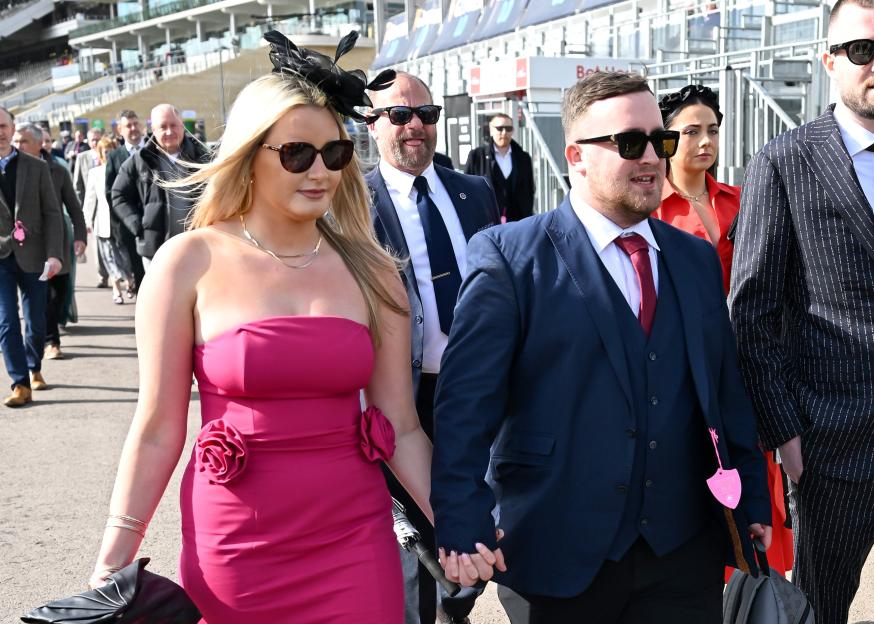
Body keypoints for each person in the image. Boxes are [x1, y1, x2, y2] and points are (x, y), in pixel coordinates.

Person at [87, 32, 433, 624]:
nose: (320, 170)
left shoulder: (373, 268)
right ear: (249, 154)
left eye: (336, 153)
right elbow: (156, 429)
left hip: (355, 540)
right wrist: (111, 564)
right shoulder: (187, 262)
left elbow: (400, 426)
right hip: (237, 549)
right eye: (297, 153)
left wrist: (457, 525)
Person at [431, 71, 772, 623]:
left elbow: (724, 388)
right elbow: (466, 406)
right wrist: (459, 514)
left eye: (660, 142)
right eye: (629, 143)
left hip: (683, 550)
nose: (652, 159)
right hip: (559, 548)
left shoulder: (693, 258)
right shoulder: (509, 256)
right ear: (576, 155)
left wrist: (751, 494)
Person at [730, 1, 874, 621]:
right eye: (863, 50)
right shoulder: (784, 162)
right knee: (820, 609)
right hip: (829, 440)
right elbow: (753, 313)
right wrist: (786, 433)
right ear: (829, 60)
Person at [366, 71, 499, 624]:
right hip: (402, 391)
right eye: (400, 115)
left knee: (483, 516)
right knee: (413, 536)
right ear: (371, 125)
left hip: (480, 389)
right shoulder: (349, 202)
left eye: (428, 113)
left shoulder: (475, 192)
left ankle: (457, 605)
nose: (416, 125)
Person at [654, 85, 794, 577]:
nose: (704, 141)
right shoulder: (650, 210)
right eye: (690, 131)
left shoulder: (742, 200)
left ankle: (758, 582)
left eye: (712, 130)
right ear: (666, 139)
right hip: (683, 365)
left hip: (750, 361)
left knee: (757, 471)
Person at [0, 107, 64, 406]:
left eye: (3, 126)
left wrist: (54, 255)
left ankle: (34, 365)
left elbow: (52, 214)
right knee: (7, 321)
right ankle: (19, 383)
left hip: (35, 253)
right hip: (1, 257)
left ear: (12, 129)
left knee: (36, 320)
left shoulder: (35, 167)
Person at [12, 123, 87, 361]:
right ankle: (51, 341)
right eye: (16, 142)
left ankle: (50, 333)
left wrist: (80, 237)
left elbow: (74, 208)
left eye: (23, 142)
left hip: (57, 240)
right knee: (42, 297)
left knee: (58, 293)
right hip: (27, 245)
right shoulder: (9, 170)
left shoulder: (57, 170)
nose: (18, 146)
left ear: (38, 145)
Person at [111, 104, 210, 271]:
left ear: (182, 126)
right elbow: (118, 195)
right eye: (163, 127)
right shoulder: (140, 161)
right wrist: (138, 226)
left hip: (199, 248)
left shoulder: (202, 157)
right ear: (153, 130)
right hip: (156, 252)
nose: (169, 132)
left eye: (173, 125)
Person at [83, 137, 135, 305]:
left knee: (125, 255)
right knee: (109, 256)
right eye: (105, 151)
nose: (108, 153)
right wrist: (86, 222)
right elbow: (90, 200)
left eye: (110, 150)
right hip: (103, 222)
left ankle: (129, 280)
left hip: (121, 221)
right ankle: (116, 290)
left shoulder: (124, 168)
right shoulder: (95, 172)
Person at [464, 113, 535, 222]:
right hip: (486, 221)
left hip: (517, 223)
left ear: (513, 130)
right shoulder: (477, 156)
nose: (504, 132)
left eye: (508, 128)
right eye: (499, 128)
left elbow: (529, 190)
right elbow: (466, 189)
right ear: (491, 130)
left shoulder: (523, 158)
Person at [105, 110, 145, 295]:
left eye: (136, 123)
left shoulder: (154, 149)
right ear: (120, 130)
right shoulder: (114, 157)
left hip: (159, 221)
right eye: (128, 125)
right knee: (138, 269)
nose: (133, 128)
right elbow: (110, 192)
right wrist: (121, 222)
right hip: (130, 225)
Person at [74, 128, 110, 288]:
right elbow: (78, 186)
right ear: (87, 141)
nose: (94, 142)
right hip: (90, 206)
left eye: (97, 139)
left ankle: (117, 272)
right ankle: (102, 275)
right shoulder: (82, 157)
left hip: (105, 204)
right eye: (92, 140)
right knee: (97, 244)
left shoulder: (110, 154)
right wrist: (81, 212)